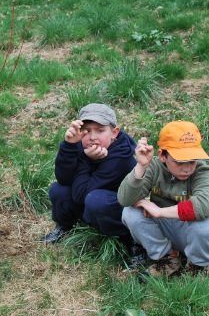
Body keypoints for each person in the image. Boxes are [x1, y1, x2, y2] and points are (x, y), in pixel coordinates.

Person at [40, 103, 146, 268]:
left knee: (96, 200)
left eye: (100, 130)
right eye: (86, 131)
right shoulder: (81, 145)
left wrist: (84, 159)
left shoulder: (120, 157)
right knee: (59, 190)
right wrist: (68, 147)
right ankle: (66, 225)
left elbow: (80, 195)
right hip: (89, 198)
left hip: (119, 208)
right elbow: (64, 179)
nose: (92, 137)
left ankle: (132, 240)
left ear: (114, 133)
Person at [118, 121, 209, 278]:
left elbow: (205, 206)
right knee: (130, 212)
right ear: (162, 156)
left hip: (191, 232)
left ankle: (198, 265)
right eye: (180, 162)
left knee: (207, 224)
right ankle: (168, 258)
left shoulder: (202, 171)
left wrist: (160, 212)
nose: (187, 168)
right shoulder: (153, 167)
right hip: (164, 230)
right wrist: (141, 166)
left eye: (192, 160)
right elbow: (125, 199)